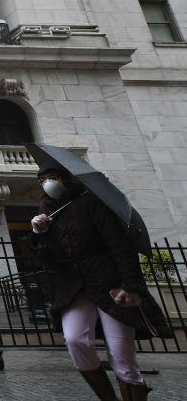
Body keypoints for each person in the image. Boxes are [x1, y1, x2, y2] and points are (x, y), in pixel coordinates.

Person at [31, 165, 165, 401]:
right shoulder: (48, 210)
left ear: (66, 179)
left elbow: (121, 246)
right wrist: (40, 233)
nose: (48, 183)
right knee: (75, 340)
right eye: (42, 180)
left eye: (53, 178)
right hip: (73, 287)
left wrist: (131, 286)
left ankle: (135, 389)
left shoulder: (92, 202)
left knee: (121, 354)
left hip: (108, 283)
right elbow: (49, 260)